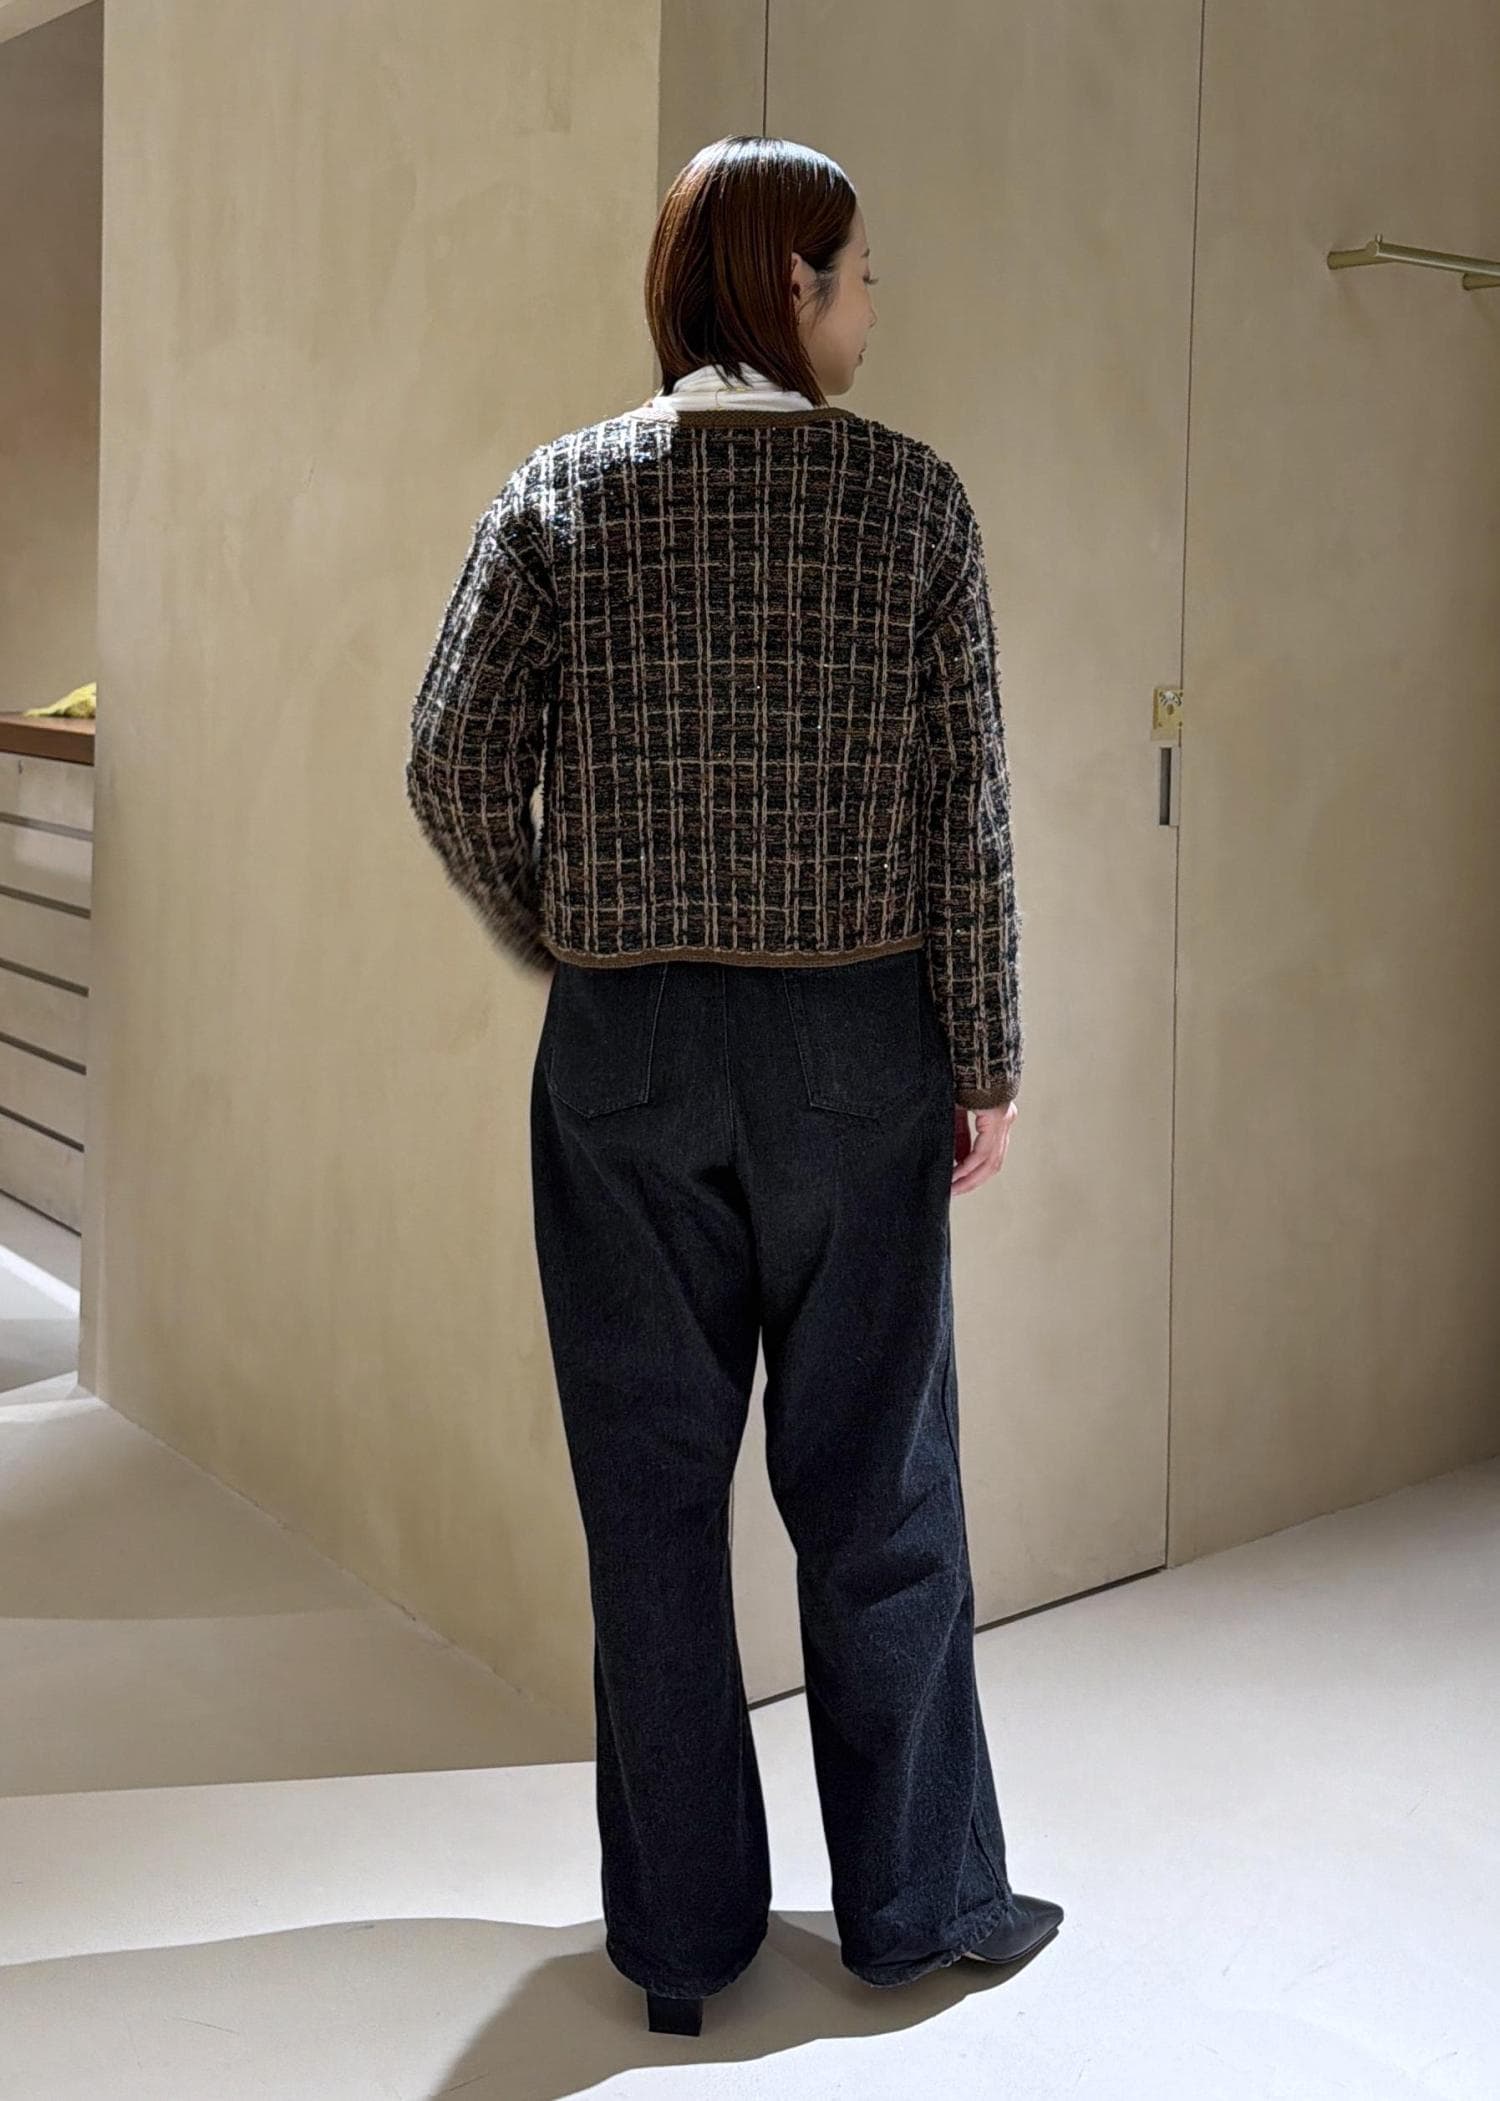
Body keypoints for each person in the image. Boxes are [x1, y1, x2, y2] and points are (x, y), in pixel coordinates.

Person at [406, 133, 1063, 2039]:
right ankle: (917, 1907)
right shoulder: (910, 503)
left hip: (626, 1058)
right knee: (880, 1485)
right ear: (791, 283)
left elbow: (450, 762)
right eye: (858, 273)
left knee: (648, 1499)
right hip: (856, 1050)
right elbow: (966, 818)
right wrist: (983, 1053)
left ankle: (682, 1945)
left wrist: (573, 930)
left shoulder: (560, 495)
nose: (872, 305)